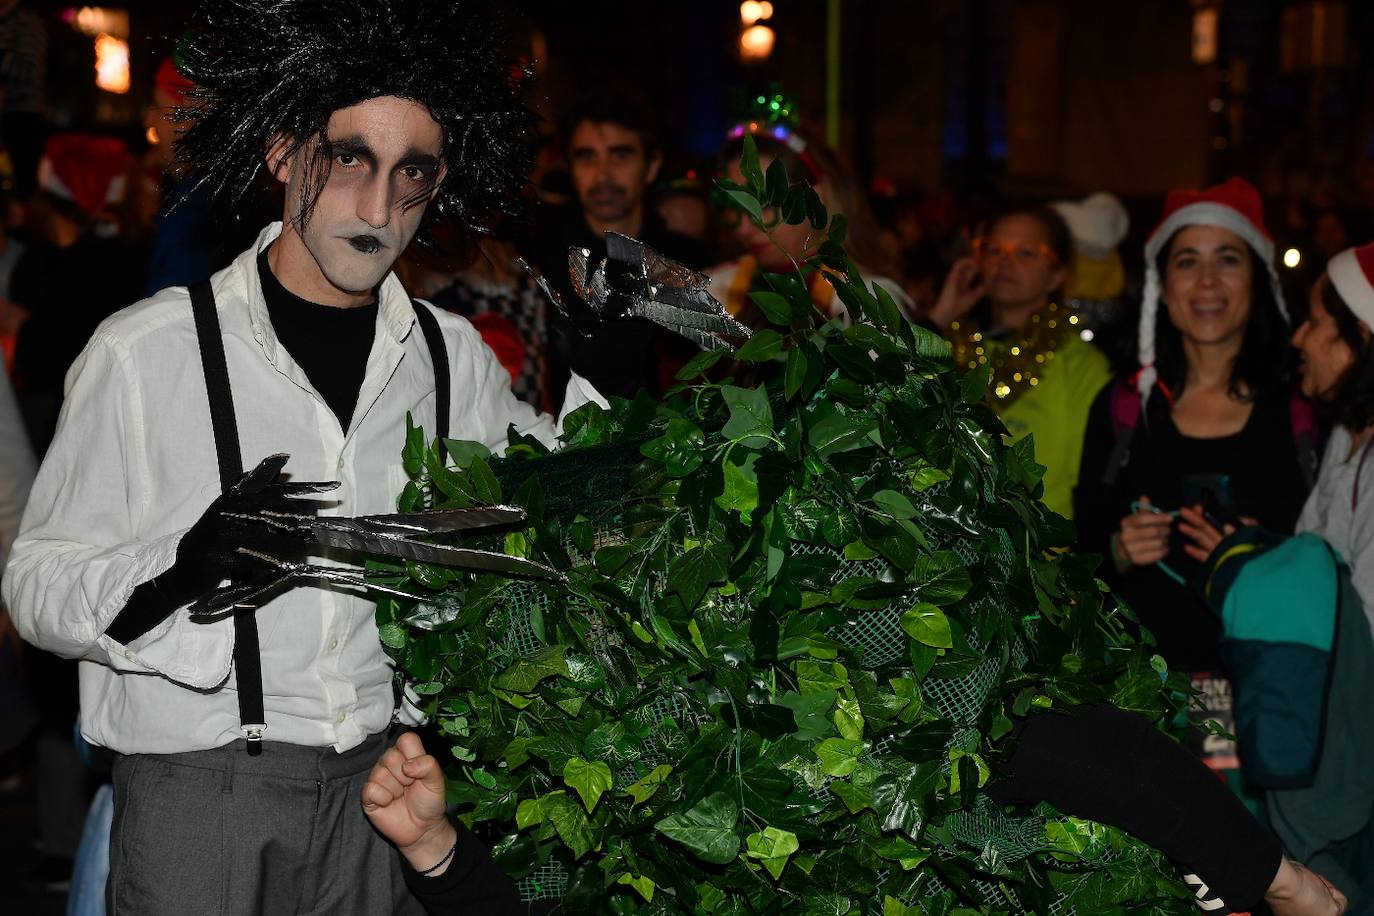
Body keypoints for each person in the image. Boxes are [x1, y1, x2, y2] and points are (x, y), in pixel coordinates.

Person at [2, 3, 606, 914]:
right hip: (200, 794)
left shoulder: (448, 357)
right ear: (284, 154)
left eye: (411, 173)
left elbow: (561, 510)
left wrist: (605, 354)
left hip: (386, 797)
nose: (376, 207)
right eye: (348, 157)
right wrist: (176, 573)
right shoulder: (146, 352)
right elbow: (33, 587)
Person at [1174, 241, 1374, 907]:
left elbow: (1352, 615)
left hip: (1343, 757)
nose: (1301, 337)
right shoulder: (1347, 437)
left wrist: (1255, 576)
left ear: (1361, 340)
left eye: (1320, 324)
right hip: (1319, 737)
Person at [1075, 178, 1312, 678]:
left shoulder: (1306, 409)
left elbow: (1345, 557)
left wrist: (1276, 556)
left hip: (1276, 694)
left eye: (1228, 258)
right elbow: (1081, 548)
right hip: (1144, 701)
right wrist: (1118, 548)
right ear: (1161, 286)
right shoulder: (1123, 404)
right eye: (1187, 261)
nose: (1206, 281)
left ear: (1259, 279)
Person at [926, 204, 1110, 519]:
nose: (1004, 262)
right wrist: (939, 316)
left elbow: (1091, 490)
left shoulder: (1082, 365)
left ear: (1057, 275)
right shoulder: (950, 347)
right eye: (993, 250)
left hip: (1041, 552)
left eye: (1026, 253)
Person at [528, 95, 707, 401]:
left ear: (651, 166)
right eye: (587, 157)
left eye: (620, 155)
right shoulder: (540, 259)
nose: (602, 175)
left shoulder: (687, 263)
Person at [708, 123, 914, 326]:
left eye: (765, 204)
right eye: (734, 207)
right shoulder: (715, 289)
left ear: (815, 196)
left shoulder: (864, 303)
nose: (743, 229)